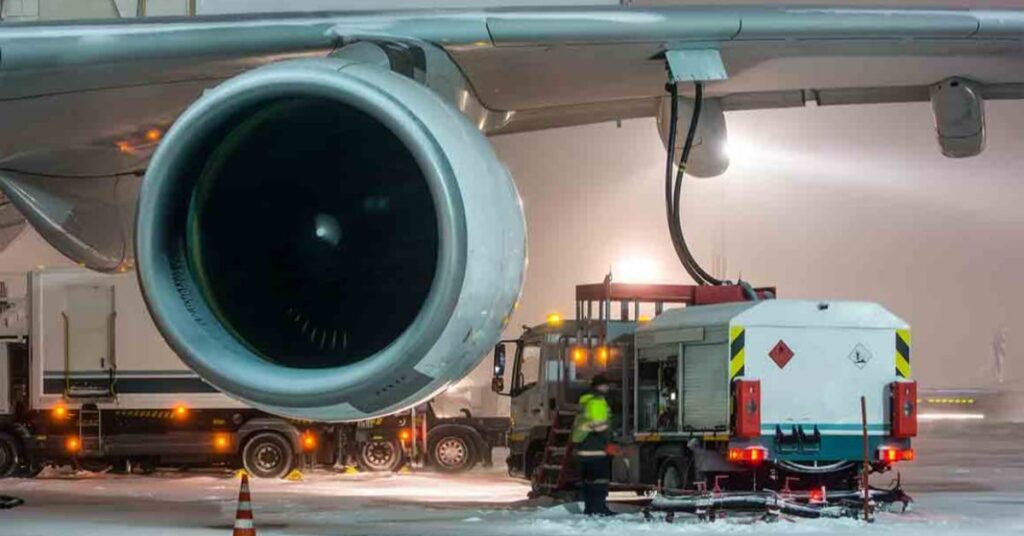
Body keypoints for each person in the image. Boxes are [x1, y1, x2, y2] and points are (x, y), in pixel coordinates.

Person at [571, 374, 616, 516]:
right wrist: (609, 440)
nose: (608, 387)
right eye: (606, 384)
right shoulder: (597, 401)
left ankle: (590, 509)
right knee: (600, 481)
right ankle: (599, 508)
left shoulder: (585, 400)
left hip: (584, 448)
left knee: (589, 482)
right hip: (596, 448)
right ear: (599, 386)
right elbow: (599, 425)